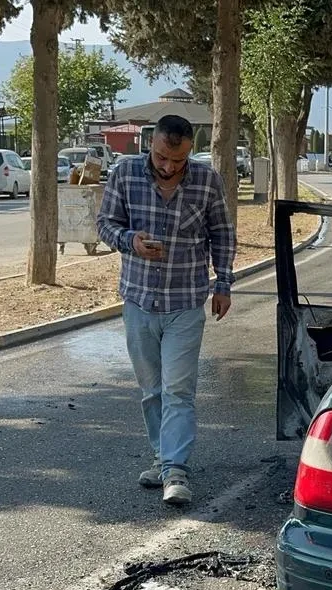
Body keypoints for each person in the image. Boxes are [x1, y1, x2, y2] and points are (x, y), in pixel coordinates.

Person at [96, 114, 237, 506]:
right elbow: (105, 224)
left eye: (178, 160)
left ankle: (175, 470)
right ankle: (162, 459)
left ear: (190, 150)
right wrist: (130, 240)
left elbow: (222, 233)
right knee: (151, 390)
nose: (169, 166)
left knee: (178, 388)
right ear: (151, 144)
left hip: (186, 300)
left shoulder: (207, 180)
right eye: (161, 157)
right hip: (139, 300)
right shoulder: (124, 174)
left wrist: (223, 283)